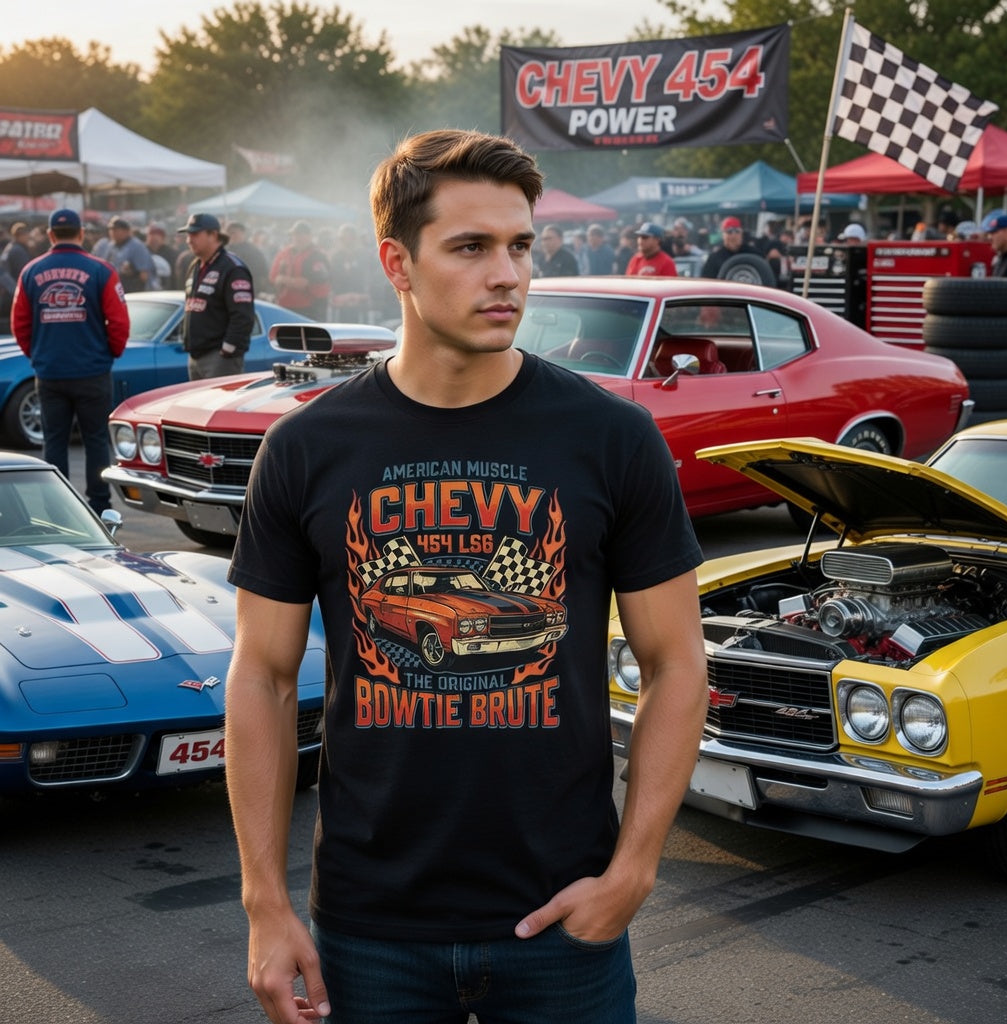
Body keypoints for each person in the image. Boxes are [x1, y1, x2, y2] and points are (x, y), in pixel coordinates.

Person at [224, 127, 707, 1024]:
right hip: (370, 929)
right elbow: (262, 673)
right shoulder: (307, 449)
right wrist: (264, 903)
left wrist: (634, 871)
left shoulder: (610, 438)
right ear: (397, 264)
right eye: (472, 247)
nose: (509, 274)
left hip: (566, 919)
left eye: (522, 244)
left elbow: (678, 663)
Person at [11, 208, 129, 514]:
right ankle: (101, 507)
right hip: (92, 372)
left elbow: (19, 324)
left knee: (54, 443)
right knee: (96, 441)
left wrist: (38, 355)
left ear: (50, 235)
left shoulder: (31, 271)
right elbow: (119, 323)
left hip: (50, 374)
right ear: (81, 234)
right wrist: (109, 354)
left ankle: (56, 509)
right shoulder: (102, 270)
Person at [176, 212, 256, 379]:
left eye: (195, 234)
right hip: (195, 356)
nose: (189, 240)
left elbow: (243, 316)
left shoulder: (232, 268)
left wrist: (228, 350)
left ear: (213, 235)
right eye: (188, 235)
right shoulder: (195, 265)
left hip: (219, 358)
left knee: (219, 406)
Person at [269, 220, 332, 319]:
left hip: (310, 308)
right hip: (285, 306)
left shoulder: (317, 256)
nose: (298, 237)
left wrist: (284, 280)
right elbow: (273, 278)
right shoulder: (284, 253)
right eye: (295, 234)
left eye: (302, 234)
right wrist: (288, 281)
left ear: (310, 236)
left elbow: (306, 283)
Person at [94, 216, 156, 292]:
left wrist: (131, 273)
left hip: (132, 293)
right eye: (111, 229)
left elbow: (144, 276)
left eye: (116, 229)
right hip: (113, 290)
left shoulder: (137, 246)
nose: (112, 232)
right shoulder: (110, 246)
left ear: (126, 231)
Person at [328, 222, 373, 320]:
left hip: (359, 298)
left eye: (350, 237)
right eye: (344, 238)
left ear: (354, 239)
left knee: (362, 330)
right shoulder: (336, 256)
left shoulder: (363, 255)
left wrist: (362, 295)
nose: (347, 241)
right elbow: (332, 277)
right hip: (341, 299)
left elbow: (368, 276)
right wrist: (336, 295)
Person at [226, 221, 270, 296]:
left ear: (243, 233)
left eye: (234, 232)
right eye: (229, 233)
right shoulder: (225, 250)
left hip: (247, 290)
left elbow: (262, 274)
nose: (231, 235)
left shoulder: (253, 251)